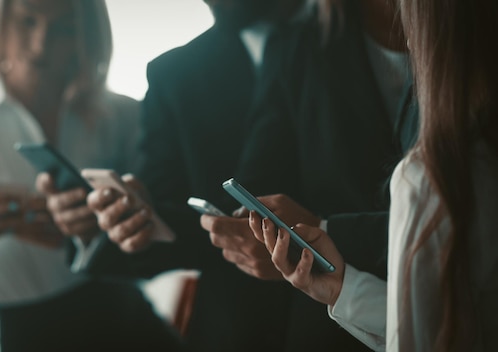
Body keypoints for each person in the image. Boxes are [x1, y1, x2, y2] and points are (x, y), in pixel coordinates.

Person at [84, 0, 416, 351]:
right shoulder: (297, 47)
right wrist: (144, 216)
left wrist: (326, 231)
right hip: (329, 318)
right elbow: (251, 198)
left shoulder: (453, 32)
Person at [0, 0, 181, 351]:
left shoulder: (126, 117)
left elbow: (167, 240)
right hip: (29, 335)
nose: (40, 44)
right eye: (27, 22)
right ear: (0, 22)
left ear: (88, 34)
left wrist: (102, 227)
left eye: (64, 28)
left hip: (129, 323)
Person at [250, 0, 498, 350]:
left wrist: (325, 230)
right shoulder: (297, 47)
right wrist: (344, 289)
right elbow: (448, 327)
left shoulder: (426, 179)